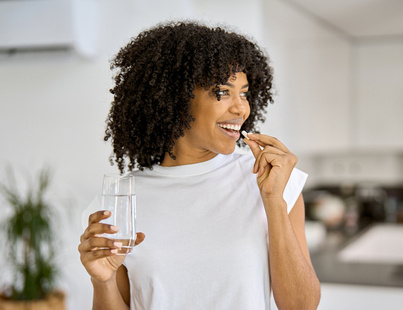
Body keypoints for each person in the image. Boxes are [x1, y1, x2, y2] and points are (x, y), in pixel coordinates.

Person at [78, 21, 321, 309]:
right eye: (222, 92)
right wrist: (102, 281)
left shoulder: (272, 183)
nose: (241, 108)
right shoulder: (118, 202)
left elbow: (301, 306)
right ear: (176, 97)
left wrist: (274, 202)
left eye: (243, 93)